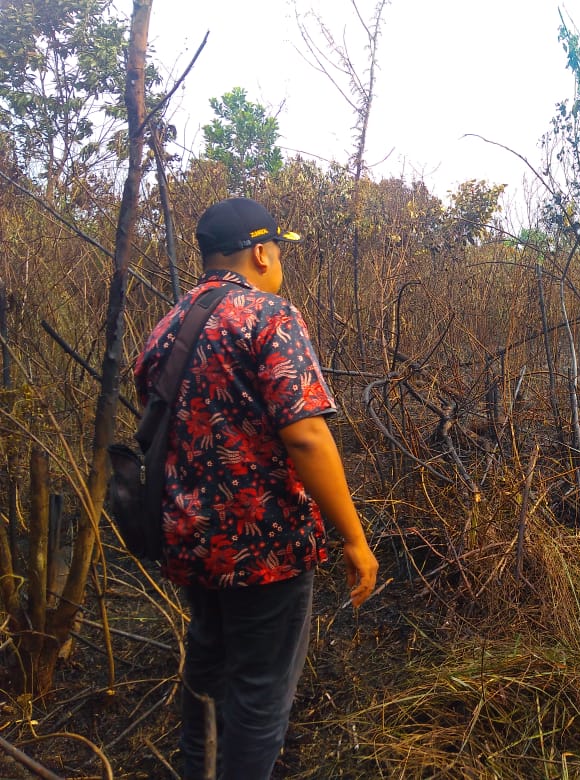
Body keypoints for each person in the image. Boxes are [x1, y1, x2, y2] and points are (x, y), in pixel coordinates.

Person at [134, 197, 379, 779]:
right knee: (261, 695)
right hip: (265, 548)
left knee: (208, 678)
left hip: (189, 541)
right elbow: (307, 438)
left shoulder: (168, 325)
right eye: (279, 251)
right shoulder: (269, 315)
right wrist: (354, 538)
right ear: (263, 251)